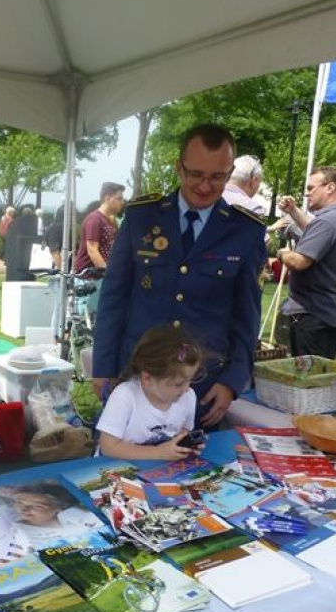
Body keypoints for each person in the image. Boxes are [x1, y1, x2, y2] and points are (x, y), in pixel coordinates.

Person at [93, 124, 267, 429]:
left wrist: (232, 381)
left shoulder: (245, 230)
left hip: (201, 385)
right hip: (136, 377)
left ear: (229, 174)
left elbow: (247, 317)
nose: (205, 186)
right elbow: (113, 297)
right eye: (195, 174)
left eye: (217, 177)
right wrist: (103, 367)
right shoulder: (141, 216)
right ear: (179, 167)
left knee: (194, 459)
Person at [277, 166, 336, 359]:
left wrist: (282, 253)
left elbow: (298, 262)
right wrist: (293, 211)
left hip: (312, 315)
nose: (307, 194)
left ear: (330, 187)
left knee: (307, 375)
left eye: (310, 188)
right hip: (333, 312)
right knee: (322, 371)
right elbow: (317, 232)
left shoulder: (327, 222)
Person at [97, 324, 206, 460]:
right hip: (114, 467)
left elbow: (184, 430)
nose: (186, 389)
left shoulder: (188, 397)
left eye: (190, 380)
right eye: (178, 384)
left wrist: (184, 445)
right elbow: (108, 447)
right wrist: (158, 452)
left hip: (159, 467)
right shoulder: (125, 396)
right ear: (147, 378)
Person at [74, 182, 125, 275]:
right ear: (108, 198)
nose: (122, 202)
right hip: (90, 278)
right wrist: (108, 274)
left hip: (100, 276)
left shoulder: (111, 220)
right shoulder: (94, 219)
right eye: (119, 198)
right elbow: (92, 250)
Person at [45, 205, 66, 269]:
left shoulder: (53, 228)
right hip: (63, 268)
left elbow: (55, 253)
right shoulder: (70, 228)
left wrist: (62, 272)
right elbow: (55, 253)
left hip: (60, 269)